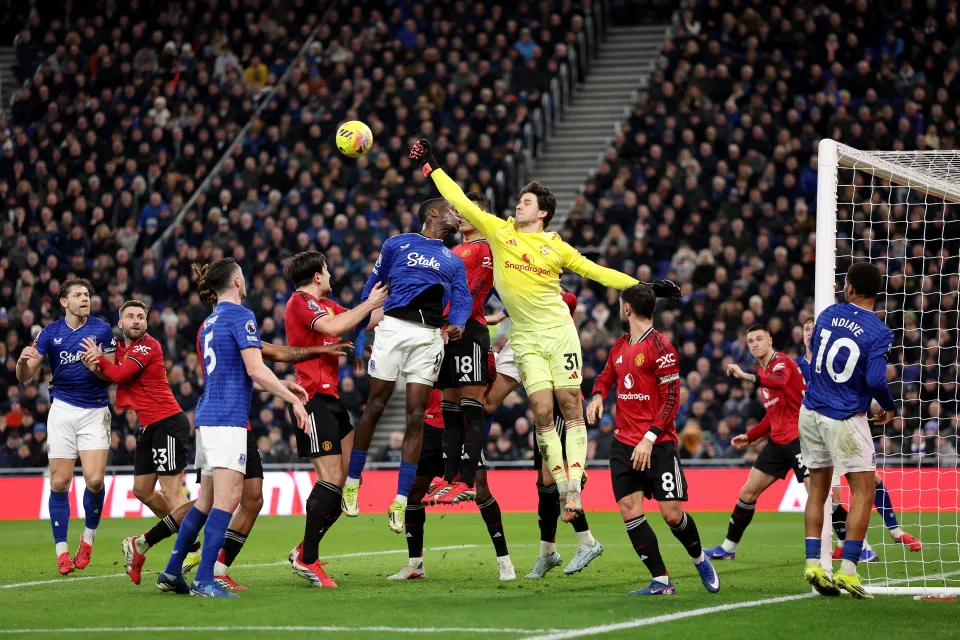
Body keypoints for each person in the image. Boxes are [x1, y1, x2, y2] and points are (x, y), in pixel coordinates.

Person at [411, 137, 680, 522]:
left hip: (558, 333)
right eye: (519, 200)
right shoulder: (500, 233)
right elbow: (460, 199)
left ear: (542, 214)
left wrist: (647, 287)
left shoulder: (557, 246)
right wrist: (431, 164)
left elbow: (597, 272)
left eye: (526, 202)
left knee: (570, 403)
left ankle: (575, 484)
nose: (518, 205)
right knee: (541, 413)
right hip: (524, 338)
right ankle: (566, 489)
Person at [156, 258, 310, 598]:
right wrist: (292, 399)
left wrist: (281, 383)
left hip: (208, 416)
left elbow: (237, 375)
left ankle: (171, 570)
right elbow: (255, 370)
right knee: (229, 498)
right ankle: (205, 579)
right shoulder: (242, 316)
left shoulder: (208, 322)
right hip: (227, 420)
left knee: (207, 500)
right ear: (238, 281)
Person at [344, 198, 471, 534]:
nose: (456, 215)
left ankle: (400, 501)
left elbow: (462, 299)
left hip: (430, 338)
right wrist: (359, 336)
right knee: (375, 406)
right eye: (450, 210)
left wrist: (457, 321)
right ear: (432, 213)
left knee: (416, 416)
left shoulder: (453, 260)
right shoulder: (397, 244)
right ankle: (353, 481)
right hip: (393, 329)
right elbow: (371, 288)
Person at [587, 284, 720, 596]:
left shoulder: (661, 347)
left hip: (657, 443)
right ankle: (661, 580)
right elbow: (606, 377)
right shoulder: (619, 346)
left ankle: (700, 559)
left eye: (621, 304)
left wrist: (649, 437)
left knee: (672, 515)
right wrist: (596, 396)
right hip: (623, 444)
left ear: (628, 309)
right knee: (629, 509)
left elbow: (672, 399)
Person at [282, 250, 388, 588]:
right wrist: (369, 303)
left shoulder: (327, 306)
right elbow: (333, 326)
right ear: (317, 276)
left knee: (344, 487)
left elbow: (364, 321)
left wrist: (404, 298)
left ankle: (304, 550)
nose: (330, 275)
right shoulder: (301, 302)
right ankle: (308, 559)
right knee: (329, 481)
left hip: (332, 401)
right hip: (310, 398)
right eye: (326, 270)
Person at [482, 290, 603, 578]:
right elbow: (488, 402)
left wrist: (510, 307)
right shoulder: (519, 336)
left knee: (550, 479)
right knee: (543, 484)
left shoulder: (560, 300)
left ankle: (587, 541)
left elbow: (566, 300)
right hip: (543, 415)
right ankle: (548, 553)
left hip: (563, 408)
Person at [77, 299, 199, 582]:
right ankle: (186, 537)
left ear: (146, 323)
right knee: (142, 490)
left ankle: (191, 548)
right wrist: (94, 365)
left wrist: (101, 362)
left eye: (141, 317)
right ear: (120, 323)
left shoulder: (147, 346)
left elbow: (120, 374)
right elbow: (109, 376)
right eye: (130, 316)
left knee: (172, 491)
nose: (136, 320)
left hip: (167, 421)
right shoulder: (120, 350)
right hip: (147, 427)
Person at [799, 262, 897, 599]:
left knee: (818, 490)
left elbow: (814, 360)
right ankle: (849, 571)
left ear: (850, 288)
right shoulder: (879, 332)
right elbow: (874, 380)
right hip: (844, 417)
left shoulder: (827, 315)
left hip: (810, 410)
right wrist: (889, 405)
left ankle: (813, 563)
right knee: (864, 492)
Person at [794, 317, 921, 562]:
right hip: (811, 430)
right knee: (828, 494)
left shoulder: (833, 360)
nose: (809, 333)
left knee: (869, 480)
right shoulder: (797, 367)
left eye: (812, 329)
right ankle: (858, 546)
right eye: (805, 329)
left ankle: (889, 532)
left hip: (838, 424)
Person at [16, 279, 118, 575]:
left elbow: (110, 376)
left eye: (87, 295)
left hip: (95, 410)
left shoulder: (101, 330)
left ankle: (88, 539)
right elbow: (25, 376)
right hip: (61, 411)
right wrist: (23, 363)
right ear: (64, 302)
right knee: (59, 482)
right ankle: (61, 551)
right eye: (78, 295)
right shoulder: (51, 333)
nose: (85, 299)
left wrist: (97, 366)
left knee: (95, 481)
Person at [704, 324, 810, 559]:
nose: (754, 344)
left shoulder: (780, 362)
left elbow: (781, 382)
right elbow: (772, 417)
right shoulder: (764, 375)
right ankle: (728, 547)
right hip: (778, 443)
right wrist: (750, 436)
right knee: (748, 492)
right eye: (750, 340)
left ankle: (857, 545)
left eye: (759, 339)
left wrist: (746, 376)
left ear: (770, 340)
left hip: (800, 439)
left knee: (819, 496)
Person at [388, 385, 516, 581]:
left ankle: (505, 563)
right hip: (430, 427)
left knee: (481, 491)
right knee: (415, 492)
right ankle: (415, 565)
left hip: (462, 426)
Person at [426, 191, 498, 505]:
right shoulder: (457, 249)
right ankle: (449, 475)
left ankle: (468, 480)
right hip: (445, 332)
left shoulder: (483, 249)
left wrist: (454, 323)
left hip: (466, 331)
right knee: (450, 409)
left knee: (471, 407)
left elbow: (473, 291)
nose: (460, 216)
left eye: (467, 211)